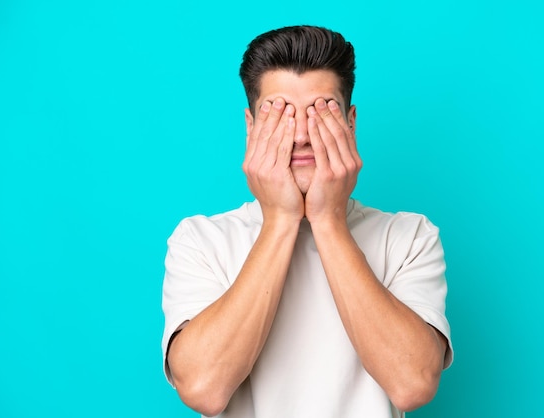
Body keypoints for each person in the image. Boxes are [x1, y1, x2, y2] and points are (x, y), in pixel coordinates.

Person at [161, 25, 453, 418]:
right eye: (279, 113)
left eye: (321, 111)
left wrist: (328, 218)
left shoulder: (409, 236)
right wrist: (281, 219)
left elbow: (413, 384)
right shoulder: (200, 240)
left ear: (350, 122)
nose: (300, 135)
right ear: (251, 127)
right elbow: (202, 389)